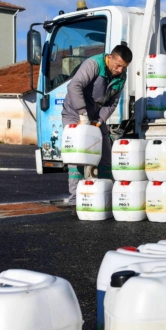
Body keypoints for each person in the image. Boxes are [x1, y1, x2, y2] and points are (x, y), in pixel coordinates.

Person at [61, 44, 132, 208]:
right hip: (74, 113)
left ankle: (106, 196)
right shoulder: (94, 64)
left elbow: (112, 103)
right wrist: (82, 114)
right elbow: (74, 86)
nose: (120, 70)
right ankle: (75, 201)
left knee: (105, 155)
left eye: (124, 67)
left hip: (95, 116)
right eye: (118, 65)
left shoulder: (121, 76)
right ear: (110, 58)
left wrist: (99, 121)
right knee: (77, 156)